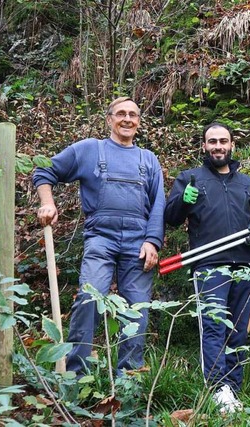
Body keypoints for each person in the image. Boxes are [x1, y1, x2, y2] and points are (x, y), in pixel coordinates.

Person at [33, 97, 165, 375]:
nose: (127, 119)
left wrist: (153, 241)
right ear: (109, 119)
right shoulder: (89, 150)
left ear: (139, 122)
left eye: (133, 114)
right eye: (121, 114)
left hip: (138, 241)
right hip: (100, 239)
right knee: (89, 300)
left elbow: (158, 205)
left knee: (137, 309)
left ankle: (128, 378)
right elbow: (45, 171)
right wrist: (48, 202)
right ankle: (76, 375)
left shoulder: (148, 159)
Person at [164, 122, 250, 413]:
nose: (218, 146)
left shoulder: (246, 182)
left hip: (246, 265)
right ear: (204, 146)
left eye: (223, 141)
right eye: (212, 141)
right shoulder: (190, 178)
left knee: (239, 331)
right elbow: (170, 218)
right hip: (209, 266)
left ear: (232, 145)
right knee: (213, 326)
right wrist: (183, 202)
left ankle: (233, 391)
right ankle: (218, 389)